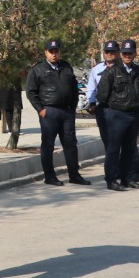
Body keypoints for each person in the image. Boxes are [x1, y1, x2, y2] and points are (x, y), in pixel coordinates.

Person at [25, 39, 91, 186]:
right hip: (49, 112)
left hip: (67, 112)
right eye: (51, 51)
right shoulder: (38, 69)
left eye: (56, 51)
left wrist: (73, 108)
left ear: (60, 52)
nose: (54, 54)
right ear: (46, 52)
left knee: (70, 144)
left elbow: (74, 88)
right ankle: (50, 176)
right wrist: (41, 110)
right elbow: (31, 92)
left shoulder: (66, 67)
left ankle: (74, 175)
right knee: (48, 145)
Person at [96, 38, 139, 191]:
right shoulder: (111, 71)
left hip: (133, 114)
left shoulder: (137, 71)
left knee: (129, 148)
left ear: (135, 54)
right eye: (125, 53)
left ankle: (127, 179)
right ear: (120, 54)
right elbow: (102, 96)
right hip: (116, 115)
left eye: (130, 53)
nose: (127, 56)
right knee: (113, 149)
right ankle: (111, 180)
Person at [86, 41, 120, 147]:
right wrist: (92, 104)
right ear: (104, 53)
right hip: (102, 109)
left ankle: (122, 162)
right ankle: (112, 162)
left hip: (119, 109)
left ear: (118, 52)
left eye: (112, 51)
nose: (109, 54)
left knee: (120, 140)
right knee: (107, 140)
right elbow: (91, 88)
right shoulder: (97, 69)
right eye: (107, 51)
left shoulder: (123, 68)